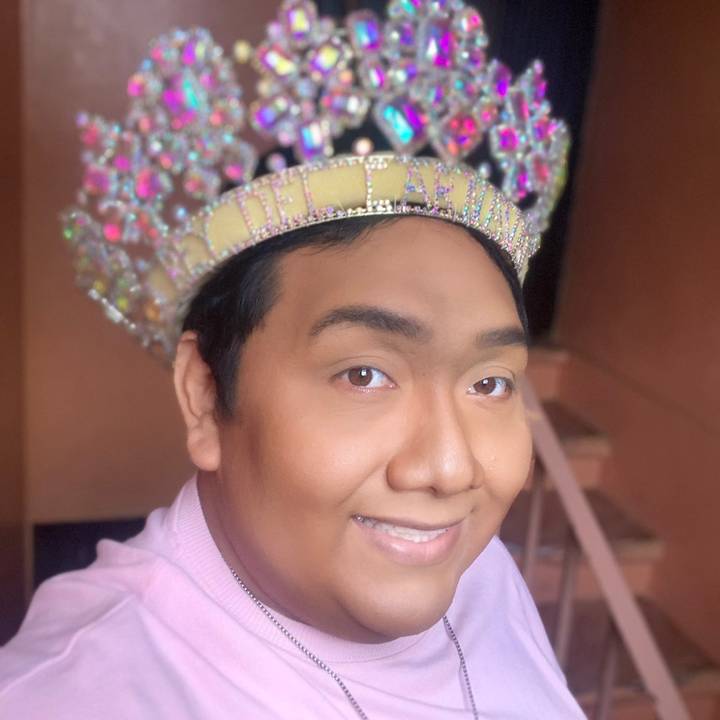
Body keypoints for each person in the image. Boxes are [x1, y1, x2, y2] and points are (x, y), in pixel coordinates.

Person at [0, 3, 583, 717]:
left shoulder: (477, 570)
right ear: (204, 393)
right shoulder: (70, 696)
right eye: (364, 375)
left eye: (490, 382)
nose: (450, 469)